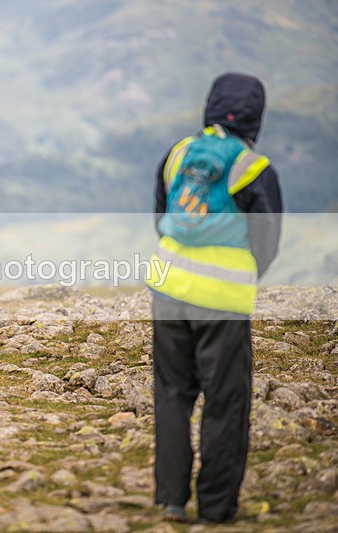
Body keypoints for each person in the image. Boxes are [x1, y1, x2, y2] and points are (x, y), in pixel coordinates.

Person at [146, 73, 283, 524]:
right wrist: (240, 276)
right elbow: (266, 244)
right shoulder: (253, 168)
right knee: (224, 402)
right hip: (221, 299)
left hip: (167, 288)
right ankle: (216, 508)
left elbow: (162, 215)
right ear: (255, 117)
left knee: (171, 393)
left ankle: (170, 500)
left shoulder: (178, 153)